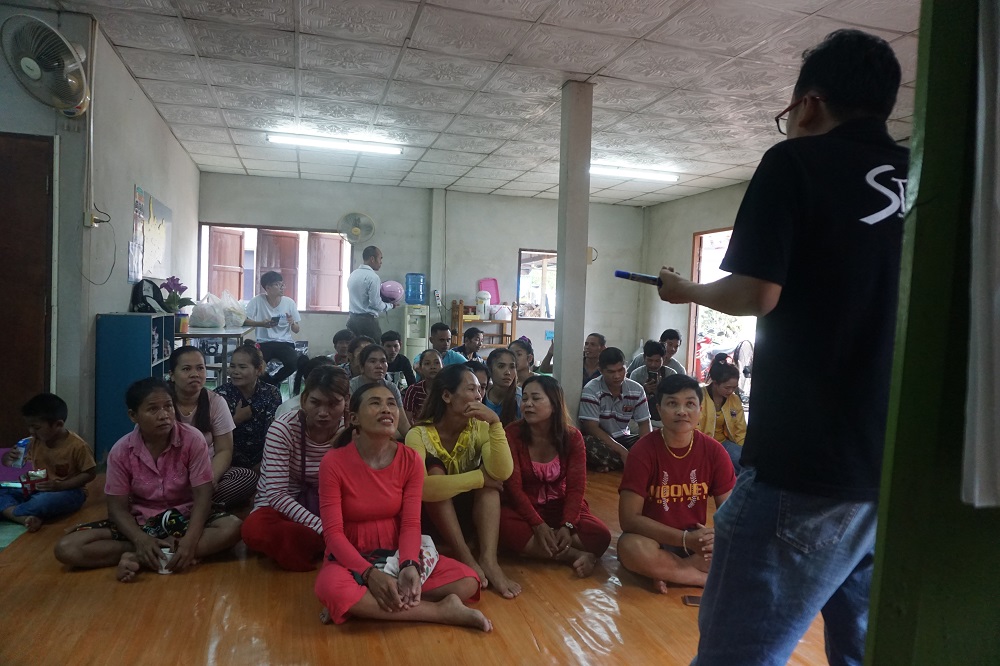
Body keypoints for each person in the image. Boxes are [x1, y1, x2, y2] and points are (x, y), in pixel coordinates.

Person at [656, 30, 908, 665]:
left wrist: (685, 287)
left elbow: (756, 292)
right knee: (863, 652)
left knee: (737, 655)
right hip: (899, 473)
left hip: (808, 466)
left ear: (811, 104)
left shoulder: (796, 162)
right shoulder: (924, 175)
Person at [314, 382, 490, 631]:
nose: (386, 409)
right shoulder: (333, 462)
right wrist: (370, 575)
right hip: (350, 557)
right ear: (354, 418)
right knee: (330, 587)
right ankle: (440, 611)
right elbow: (333, 534)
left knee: (467, 581)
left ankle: (363, 604)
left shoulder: (410, 459)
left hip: (397, 552)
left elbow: (410, 523)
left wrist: (409, 565)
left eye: (391, 404)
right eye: (375, 403)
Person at [54, 378, 242, 581]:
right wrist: (140, 538)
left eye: (168, 406)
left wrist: (190, 540)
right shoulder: (121, 451)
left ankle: (143, 556)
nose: (164, 416)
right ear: (133, 415)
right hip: (141, 521)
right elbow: (117, 509)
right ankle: (157, 551)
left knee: (234, 527)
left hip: (185, 518)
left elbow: (203, 496)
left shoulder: (192, 439)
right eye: (153, 409)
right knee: (67, 548)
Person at [404, 364, 520, 599]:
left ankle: (489, 561)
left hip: (467, 514)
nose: (479, 396)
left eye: (481, 389)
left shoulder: (481, 428)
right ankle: (465, 556)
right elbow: (423, 489)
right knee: (436, 476)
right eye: (472, 389)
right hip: (430, 515)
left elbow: (502, 472)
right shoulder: (418, 434)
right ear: (447, 396)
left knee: (491, 491)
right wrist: (479, 478)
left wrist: (496, 424)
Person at [617, 374, 735, 593]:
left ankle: (665, 572)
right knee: (629, 547)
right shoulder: (642, 451)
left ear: (700, 411)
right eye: (672, 403)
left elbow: (731, 513)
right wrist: (685, 539)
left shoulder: (715, 451)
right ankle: (698, 579)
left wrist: (713, 539)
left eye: (690, 404)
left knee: (739, 548)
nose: (682, 411)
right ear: (659, 410)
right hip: (654, 538)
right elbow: (629, 519)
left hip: (696, 541)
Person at [241, 365, 350, 571]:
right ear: (303, 400)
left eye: (333, 404)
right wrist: (325, 529)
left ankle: (323, 544)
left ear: (347, 402)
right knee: (254, 528)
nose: (323, 413)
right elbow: (276, 495)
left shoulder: (352, 430)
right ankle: (335, 544)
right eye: (315, 403)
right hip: (283, 508)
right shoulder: (283, 429)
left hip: (330, 505)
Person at [499, 376, 611, 577]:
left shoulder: (573, 437)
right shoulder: (512, 434)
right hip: (525, 508)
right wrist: (538, 525)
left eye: (536, 398)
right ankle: (574, 555)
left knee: (600, 535)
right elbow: (513, 488)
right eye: (524, 399)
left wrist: (567, 525)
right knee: (504, 528)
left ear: (554, 404)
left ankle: (537, 547)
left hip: (560, 506)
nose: (528, 404)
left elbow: (576, 488)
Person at [169, 346, 255, 509]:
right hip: (168, 475)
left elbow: (224, 450)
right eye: (186, 369)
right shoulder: (163, 403)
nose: (195, 374)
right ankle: (199, 507)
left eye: (200, 368)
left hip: (205, 473)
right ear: (172, 375)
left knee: (246, 477)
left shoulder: (215, 401)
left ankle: (189, 506)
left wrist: (208, 479)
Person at [0, 393, 96, 532]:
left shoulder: (77, 446)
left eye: (36, 427)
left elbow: (90, 474)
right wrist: (9, 456)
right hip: (37, 487)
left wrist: (61, 485)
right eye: (29, 427)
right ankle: (24, 517)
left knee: (43, 502)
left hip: (68, 492)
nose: (31, 432)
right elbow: (9, 463)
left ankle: (11, 512)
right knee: (3, 489)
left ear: (58, 424)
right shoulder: (34, 441)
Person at [214, 341, 283, 507]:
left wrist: (263, 465)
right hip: (229, 465)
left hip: (263, 462)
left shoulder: (271, 393)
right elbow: (212, 438)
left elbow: (274, 433)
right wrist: (236, 420)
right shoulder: (220, 395)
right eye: (232, 366)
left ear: (258, 370)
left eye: (242, 367)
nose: (235, 372)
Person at [579, 347, 652, 471]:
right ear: (600, 370)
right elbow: (591, 427)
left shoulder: (637, 389)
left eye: (621, 370)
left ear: (626, 367)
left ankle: (616, 463)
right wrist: (622, 452)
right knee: (585, 444)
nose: (617, 376)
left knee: (657, 440)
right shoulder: (591, 390)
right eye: (611, 372)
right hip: (602, 440)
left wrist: (645, 449)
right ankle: (634, 462)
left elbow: (644, 423)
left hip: (625, 437)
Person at [244, 271, 302, 386]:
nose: (281, 287)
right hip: (264, 342)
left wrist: (292, 323)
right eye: (277, 284)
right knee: (255, 364)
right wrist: (261, 324)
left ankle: (273, 382)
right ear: (268, 287)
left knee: (294, 362)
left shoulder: (289, 302)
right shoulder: (257, 300)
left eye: (282, 284)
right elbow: (244, 321)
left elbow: (297, 329)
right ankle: (271, 384)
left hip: (285, 343)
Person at [697, 354, 747, 475]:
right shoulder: (698, 397)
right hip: (702, 446)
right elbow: (693, 429)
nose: (731, 391)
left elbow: (740, 430)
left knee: (746, 465)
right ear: (715, 383)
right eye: (727, 387)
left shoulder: (734, 400)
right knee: (718, 470)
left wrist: (745, 452)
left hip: (724, 443)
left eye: (734, 388)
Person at [348, 344, 411, 438]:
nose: (379, 366)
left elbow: (403, 424)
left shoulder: (391, 388)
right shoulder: (351, 387)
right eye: (372, 361)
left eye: (383, 361)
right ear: (362, 367)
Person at [346, 245, 393, 341]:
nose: (381, 262)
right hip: (367, 322)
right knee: (373, 351)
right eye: (380, 258)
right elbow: (375, 303)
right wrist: (390, 306)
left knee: (354, 350)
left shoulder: (353, 274)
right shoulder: (373, 277)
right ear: (372, 259)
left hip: (352, 319)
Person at [628, 340, 677, 428]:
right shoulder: (636, 374)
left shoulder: (671, 375)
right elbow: (630, 403)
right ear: (644, 357)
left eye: (657, 361)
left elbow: (675, 401)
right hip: (640, 419)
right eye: (649, 360)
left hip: (663, 418)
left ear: (664, 358)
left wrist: (659, 392)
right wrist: (644, 391)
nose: (653, 365)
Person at [539, 333, 607, 388]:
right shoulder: (575, 363)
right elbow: (544, 369)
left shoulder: (606, 367)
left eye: (593, 344)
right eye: (586, 344)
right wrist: (550, 353)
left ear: (602, 348)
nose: (588, 347)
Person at [401, 350, 443, 423]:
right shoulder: (413, 390)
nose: (432, 367)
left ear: (443, 366)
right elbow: (406, 420)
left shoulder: (449, 389)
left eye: (437, 363)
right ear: (420, 368)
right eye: (427, 363)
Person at [483, 348, 521, 426]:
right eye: (501, 366)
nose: (508, 372)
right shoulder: (481, 395)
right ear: (490, 370)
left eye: (512, 367)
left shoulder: (520, 397)